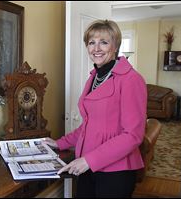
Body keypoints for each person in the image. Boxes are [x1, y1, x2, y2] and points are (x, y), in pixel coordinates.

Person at [44, 19, 147, 198]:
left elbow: (133, 135)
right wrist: (59, 143)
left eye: (104, 42)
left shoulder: (131, 79)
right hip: (86, 165)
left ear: (115, 46)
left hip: (115, 171)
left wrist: (89, 160)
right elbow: (89, 126)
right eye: (91, 42)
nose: (96, 48)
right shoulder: (94, 77)